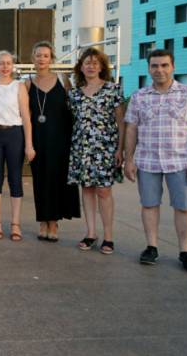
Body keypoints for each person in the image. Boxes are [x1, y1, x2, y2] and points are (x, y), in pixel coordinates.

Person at [124, 49, 187, 273]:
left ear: (173, 67)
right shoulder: (139, 96)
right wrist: (128, 159)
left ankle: (185, 252)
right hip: (147, 161)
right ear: (149, 68)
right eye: (154, 66)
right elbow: (131, 129)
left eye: (164, 65)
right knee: (149, 204)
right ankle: (151, 247)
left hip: (180, 161)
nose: (159, 70)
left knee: (183, 206)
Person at [68, 48, 124, 255]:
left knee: (104, 191)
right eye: (87, 63)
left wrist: (121, 149)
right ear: (81, 67)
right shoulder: (74, 93)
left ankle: (108, 237)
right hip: (81, 147)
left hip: (105, 147)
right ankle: (91, 233)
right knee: (87, 189)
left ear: (101, 67)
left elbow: (121, 122)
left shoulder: (113, 89)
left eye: (95, 63)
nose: (91, 66)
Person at [25, 41, 80, 241]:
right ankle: (43, 220)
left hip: (60, 140)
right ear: (33, 58)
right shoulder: (27, 83)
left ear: (51, 59)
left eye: (46, 55)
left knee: (57, 180)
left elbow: (74, 109)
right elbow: (26, 115)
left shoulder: (63, 80)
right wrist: (28, 144)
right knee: (40, 180)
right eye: (38, 55)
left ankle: (54, 222)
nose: (42, 59)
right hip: (38, 139)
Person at [0, 51, 35, 242]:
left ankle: (15, 224)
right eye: (1, 63)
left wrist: (29, 145)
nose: (5, 67)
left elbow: (26, 117)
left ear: (13, 66)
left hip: (15, 134)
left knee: (15, 179)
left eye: (8, 63)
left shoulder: (19, 86)